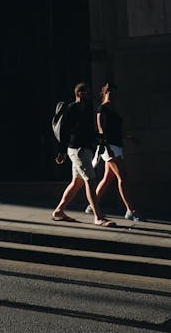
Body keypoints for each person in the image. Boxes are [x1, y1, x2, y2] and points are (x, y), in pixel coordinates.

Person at [52, 82, 116, 227]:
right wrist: (62, 151)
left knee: (77, 183)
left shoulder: (84, 109)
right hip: (77, 150)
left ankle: (59, 211)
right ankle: (98, 217)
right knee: (90, 181)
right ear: (79, 93)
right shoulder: (73, 107)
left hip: (82, 150)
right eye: (87, 92)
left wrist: (99, 141)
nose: (90, 95)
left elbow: (85, 132)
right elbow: (65, 130)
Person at [85, 82, 143, 221]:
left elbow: (118, 130)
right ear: (105, 93)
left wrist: (130, 137)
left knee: (108, 178)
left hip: (117, 146)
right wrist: (108, 148)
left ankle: (91, 206)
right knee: (122, 177)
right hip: (109, 147)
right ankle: (130, 210)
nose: (113, 96)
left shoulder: (113, 109)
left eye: (115, 94)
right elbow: (101, 130)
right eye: (111, 93)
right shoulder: (102, 109)